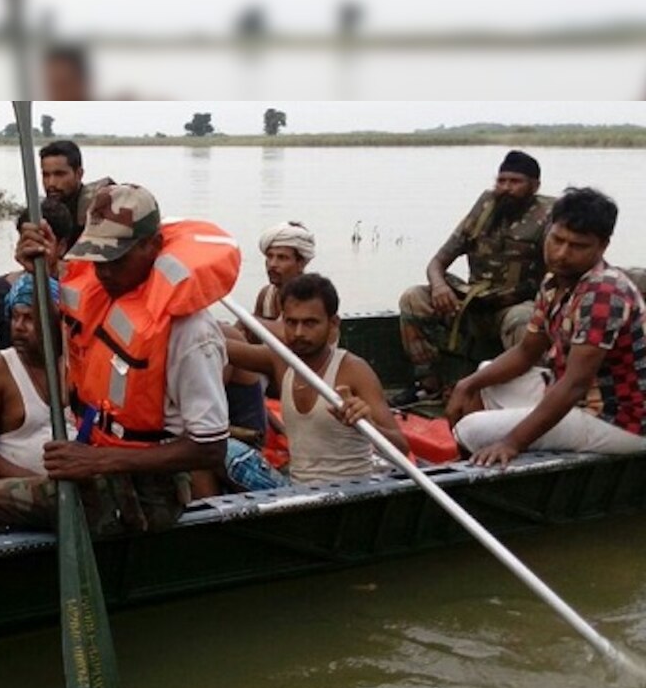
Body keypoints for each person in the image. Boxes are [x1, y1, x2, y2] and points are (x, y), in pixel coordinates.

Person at [0, 184, 238, 537]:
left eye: (116, 259)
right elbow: (57, 332)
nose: (103, 271)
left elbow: (210, 449)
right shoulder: (102, 290)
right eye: (96, 257)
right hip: (96, 462)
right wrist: (38, 267)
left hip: (147, 493)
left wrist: (99, 462)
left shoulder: (191, 332)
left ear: (153, 247)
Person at [448, 187, 646, 466]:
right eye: (557, 240)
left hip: (617, 419)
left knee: (472, 430)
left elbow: (575, 384)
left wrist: (511, 442)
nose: (562, 253)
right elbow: (527, 352)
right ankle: (480, 460)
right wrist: (465, 385)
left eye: (577, 246)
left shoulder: (603, 291)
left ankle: (482, 468)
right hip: (577, 397)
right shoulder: (556, 282)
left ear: (602, 246)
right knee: (484, 377)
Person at [394, 150, 554, 405]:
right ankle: (429, 384)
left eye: (515, 182)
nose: (506, 188)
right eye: (501, 181)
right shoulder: (485, 207)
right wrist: (439, 287)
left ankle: (527, 399)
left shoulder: (548, 215)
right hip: (473, 301)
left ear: (534, 186)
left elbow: (557, 275)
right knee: (413, 298)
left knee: (523, 320)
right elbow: (437, 262)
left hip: (515, 303)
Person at [226, 274, 409, 483]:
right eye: (291, 322)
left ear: (333, 323)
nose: (298, 333)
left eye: (310, 323)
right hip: (296, 491)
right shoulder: (280, 359)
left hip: (351, 493)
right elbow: (218, 344)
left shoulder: (354, 370)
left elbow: (401, 448)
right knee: (224, 449)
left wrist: (368, 425)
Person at [224, 221, 317, 439]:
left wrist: (251, 322)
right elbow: (244, 332)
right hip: (266, 370)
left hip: (297, 374)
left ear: (301, 262)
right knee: (221, 337)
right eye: (270, 257)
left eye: (282, 258)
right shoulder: (267, 294)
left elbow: (293, 338)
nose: (272, 264)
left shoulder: (311, 296)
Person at [0, 278, 60, 478]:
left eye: (29, 319)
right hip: (22, 488)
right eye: (15, 317)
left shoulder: (74, 364)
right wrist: (40, 485)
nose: (18, 327)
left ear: (55, 322)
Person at [0, 199, 72, 373]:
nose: (32, 247)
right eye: (27, 239)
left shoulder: (77, 292)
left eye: (42, 240)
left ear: (61, 246)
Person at [39, 140, 114, 249]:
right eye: (46, 175)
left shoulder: (99, 207)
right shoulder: (43, 213)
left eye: (59, 174)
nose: (51, 183)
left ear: (79, 174)